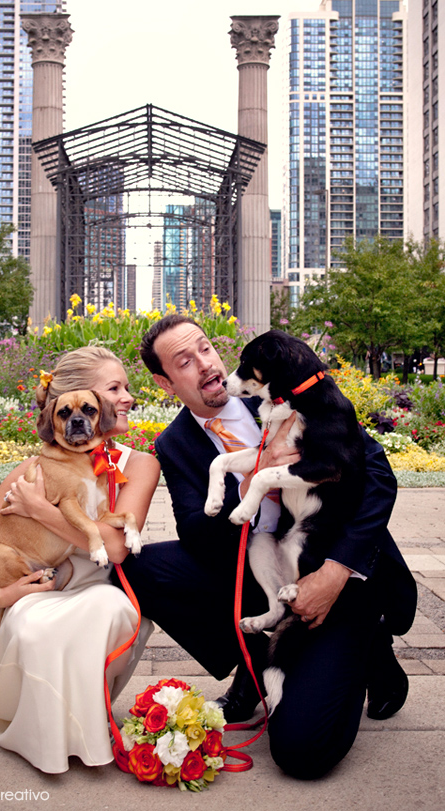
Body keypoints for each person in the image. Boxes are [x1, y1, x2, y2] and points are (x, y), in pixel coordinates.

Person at [116, 314, 417, 780]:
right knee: (138, 568)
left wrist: (337, 571)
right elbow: (198, 534)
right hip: (266, 568)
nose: (206, 364)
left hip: (340, 570)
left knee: (300, 752)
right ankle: (252, 665)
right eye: (184, 361)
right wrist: (253, 482)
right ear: (164, 381)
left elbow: (378, 476)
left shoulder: (294, 395)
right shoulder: (173, 443)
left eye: (205, 348)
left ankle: (371, 648)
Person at [0, 346, 160, 774]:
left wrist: (42, 510)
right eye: (113, 388)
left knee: (110, 607)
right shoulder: (34, 469)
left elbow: (116, 547)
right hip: (39, 590)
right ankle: (45, 735)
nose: (126, 398)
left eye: (126, 388)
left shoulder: (139, 464)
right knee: (31, 623)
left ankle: (82, 723)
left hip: (94, 591)